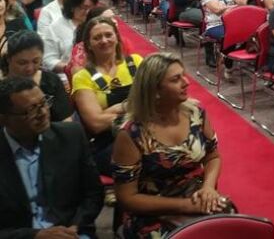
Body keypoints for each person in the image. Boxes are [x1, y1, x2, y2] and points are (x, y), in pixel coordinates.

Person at [112, 53, 230, 238]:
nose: (186, 82)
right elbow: (127, 198)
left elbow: (213, 156)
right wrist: (184, 206)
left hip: (197, 195)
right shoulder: (131, 134)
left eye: (183, 75)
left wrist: (208, 187)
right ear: (155, 90)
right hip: (153, 209)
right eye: (176, 79)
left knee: (233, 226)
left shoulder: (196, 113)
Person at [0, 76, 104, 238]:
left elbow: (93, 194)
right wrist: (35, 235)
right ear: (4, 118)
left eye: (43, 103)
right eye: (31, 110)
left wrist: (74, 227)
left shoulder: (71, 136)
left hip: (70, 231)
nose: (42, 113)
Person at [72, 16, 144, 176]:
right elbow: (96, 123)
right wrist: (134, 107)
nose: (104, 41)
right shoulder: (83, 77)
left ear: (117, 38)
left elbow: (157, 102)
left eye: (108, 35)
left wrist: (114, 110)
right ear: (88, 45)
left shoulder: (136, 62)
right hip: (108, 144)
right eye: (97, 38)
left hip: (147, 134)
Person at [1, 31, 73, 122]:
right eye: (22, 63)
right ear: (8, 59)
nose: (30, 68)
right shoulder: (2, 87)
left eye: (35, 61)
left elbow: (66, 121)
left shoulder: (51, 81)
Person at [42, 0, 98, 75]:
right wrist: (69, 67)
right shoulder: (55, 28)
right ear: (72, 7)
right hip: (68, 76)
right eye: (84, 8)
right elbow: (48, 60)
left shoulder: (97, 24)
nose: (88, 12)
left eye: (91, 8)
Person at [201, 0, 246, 66]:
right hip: (216, 24)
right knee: (232, 35)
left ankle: (226, 56)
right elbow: (217, 10)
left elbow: (243, 3)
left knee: (252, 34)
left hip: (235, 23)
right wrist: (235, 7)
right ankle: (227, 59)